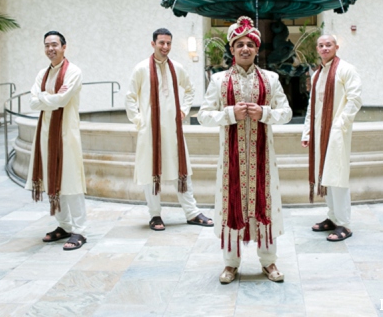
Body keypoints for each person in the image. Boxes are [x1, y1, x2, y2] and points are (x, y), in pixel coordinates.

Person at [198, 16, 292, 284]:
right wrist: (229, 114)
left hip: (263, 159)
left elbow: (286, 113)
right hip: (231, 161)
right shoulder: (219, 81)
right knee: (231, 206)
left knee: (265, 203)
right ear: (232, 49)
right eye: (239, 44)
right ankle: (230, 264)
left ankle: (269, 261)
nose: (245, 49)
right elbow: (204, 116)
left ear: (257, 48)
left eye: (250, 44)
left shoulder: (271, 79)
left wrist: (264, 112)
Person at [125, 28, 213, 231]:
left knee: (182, 171)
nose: (165, 47)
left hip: (173, 130)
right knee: (151, 173)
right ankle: (155, 215)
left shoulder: (177, 68)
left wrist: (183, 109)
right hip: (150, 132)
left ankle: (192, 212)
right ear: (153, 43)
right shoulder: (141, 69)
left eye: (168, 43)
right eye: (161, 43)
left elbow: (190, 89)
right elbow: (130, 97)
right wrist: (140, 121)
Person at [26, 31, 87, 251]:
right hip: (45, 132)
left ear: (64, 47)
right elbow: (32, 103)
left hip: (66, 133)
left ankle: (79, 230)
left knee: (71, 181)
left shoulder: (73, 71)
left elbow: (62, 100)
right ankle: (63, 225)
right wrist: (46, 99)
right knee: (53, 179)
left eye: (54, 45)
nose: (50, 49)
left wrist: (42, 97)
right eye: (47, 45)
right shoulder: (42, 74)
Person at [301, 35, 362, 242]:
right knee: (325, 176)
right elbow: (313, 105)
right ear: (317, 49)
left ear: (337, 46)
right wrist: (307, 132)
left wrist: (340, 124)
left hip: (337, 132)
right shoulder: (318, 73)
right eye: (321, 45)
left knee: (337, 177)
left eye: (329, 44)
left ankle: (344, 224)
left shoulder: (346, 69)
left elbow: (355, 99)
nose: (325, 48)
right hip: (320, 132)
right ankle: (333, 217)